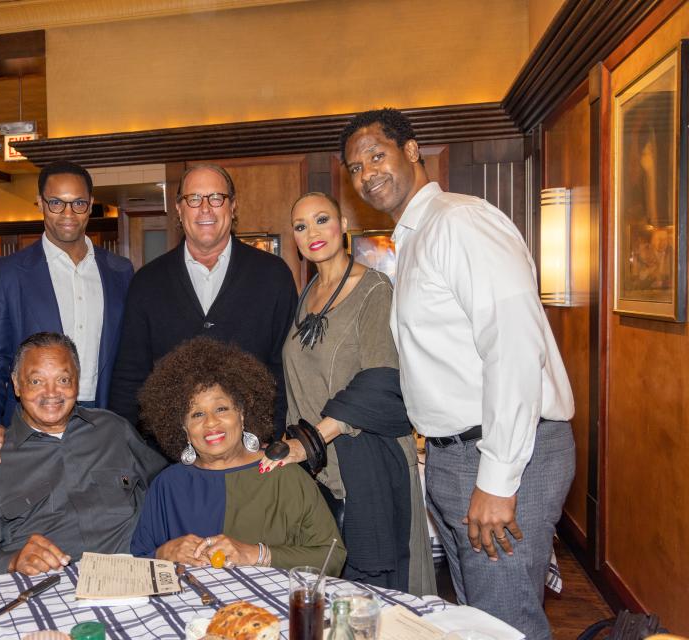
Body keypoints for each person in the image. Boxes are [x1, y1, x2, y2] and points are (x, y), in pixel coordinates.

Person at [340, 108, 574, 639]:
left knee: (505, 624)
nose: (367, 172)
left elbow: (513, 348)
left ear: (412, 150)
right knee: (475, 622)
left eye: (377, 155)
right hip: (453, 456)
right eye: (355, 167)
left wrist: (497, 479)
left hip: (503, 453)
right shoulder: (414, 239)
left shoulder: (460, 222)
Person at [259, 192, 434, 594]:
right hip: (320, 466)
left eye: (322, 219)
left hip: (367, 459)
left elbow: (381, 379)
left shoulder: (373, 289)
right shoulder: (308, 294)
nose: (312, 232)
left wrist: (312, 440)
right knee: (329, 592)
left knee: (378, 596)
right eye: (301, 226)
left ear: (343, 226)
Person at [0, 332, 166, 580]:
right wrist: (12, 561)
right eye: (36, 382)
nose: (51, 393)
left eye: (63, 379)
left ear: (77, 381)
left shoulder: (114, 431)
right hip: (47, 592)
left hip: (134, 577)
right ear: (16, 384)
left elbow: (166, 487)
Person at [0, 160, 133, 471]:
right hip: (32, 426)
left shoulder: (120, 271)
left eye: (78, 203)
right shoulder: (9, 274)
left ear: (90, 205)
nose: (68, 214)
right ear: (41, 203)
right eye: (56, 203)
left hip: (104, 423)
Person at [130, 336, 345, 575]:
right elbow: (138, 562)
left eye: (221, 409)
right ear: (184, 428)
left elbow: (332, 557)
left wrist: (256, 554)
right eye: (196, 414)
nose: (211, 423)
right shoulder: (167, 486)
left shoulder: (285, 477)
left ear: (241, 414)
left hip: (268, 608)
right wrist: (163, 554)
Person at [109, 164, 297, 434]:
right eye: (194, 199)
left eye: (216, 198)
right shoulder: (147, 283)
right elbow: (129, 376)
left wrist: (272, 439)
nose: (205, 208)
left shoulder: (273, 275)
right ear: (179, 209)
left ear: (232, 207)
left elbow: (286, 370)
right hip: (171, 458)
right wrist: (126, 450)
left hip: (253, 454)